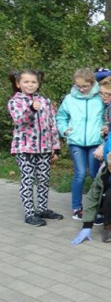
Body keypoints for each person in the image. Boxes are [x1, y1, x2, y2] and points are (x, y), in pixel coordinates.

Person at [7, 69, 63, 226]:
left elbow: (52, 123)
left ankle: (42, 209)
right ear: (18, 84)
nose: (30, 85)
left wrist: (55, 146)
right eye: (26, 82)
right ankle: (30, 213)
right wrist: (31, 109)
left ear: (38, 84)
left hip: (44, 148)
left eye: (33, 82)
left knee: (43, 179)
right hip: (24, 148)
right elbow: (19, 120)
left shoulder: (45, 101)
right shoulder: (15, 102)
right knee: (28, 179)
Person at [56, 68, 106, 221]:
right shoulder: (69, 99)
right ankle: (77, 207)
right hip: (76, 142)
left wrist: (105, 129)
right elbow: (61, 117)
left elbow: (108, 116)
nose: (81, 89)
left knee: (95, 174)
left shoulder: (100, 97)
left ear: (93, 83)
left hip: (95, 141)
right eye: (78, 86)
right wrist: (65, 131)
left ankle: (99, 206)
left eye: (85, 86)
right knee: (80, 174)